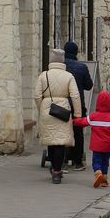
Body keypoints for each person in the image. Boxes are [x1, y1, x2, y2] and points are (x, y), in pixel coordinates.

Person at [34, 49, 82, 184]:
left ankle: (53, 167)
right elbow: (75, 96)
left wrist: (42, 108)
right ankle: (57, 171)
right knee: (60, 142)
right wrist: (77, 114)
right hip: (63, 110)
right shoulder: (68, 76)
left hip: (47, 109)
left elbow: (37, 96)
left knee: (51, 141)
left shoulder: (43, 75)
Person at [74, 89, 110, 188]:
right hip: (107, 146)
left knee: (96, 161)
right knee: (105, 162)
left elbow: (83, 122)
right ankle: (104, 179)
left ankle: (98, 173)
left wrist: (74, 121)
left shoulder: (93, 116)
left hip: (96, 146)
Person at [63, 41, 93, 170]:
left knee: (63, 131)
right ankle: (78, 161)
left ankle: (63, 159)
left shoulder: (60, 67)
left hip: (62, 104)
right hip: (78, 104)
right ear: (76, 52)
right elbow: (89, 85)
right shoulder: (82, 67)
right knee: (78, 133)